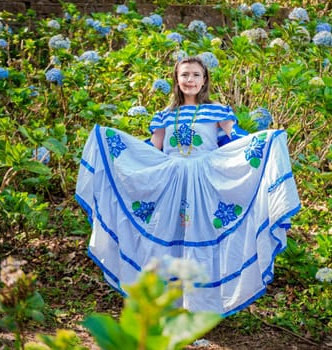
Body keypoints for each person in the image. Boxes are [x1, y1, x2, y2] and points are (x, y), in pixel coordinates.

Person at [75, 56, 300, 316]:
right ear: (176, 79)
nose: (190, 80)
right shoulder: (165, 116)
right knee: (170, 237)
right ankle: (166, 302)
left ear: (204, 80)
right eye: (184, 75)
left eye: (195, 75)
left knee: (202, 235)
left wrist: (264, 142)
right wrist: (121, 154)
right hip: (171, 184)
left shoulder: (217, 110)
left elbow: (235, 137)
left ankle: (199, 305)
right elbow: (153, 150)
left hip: (204, 183)